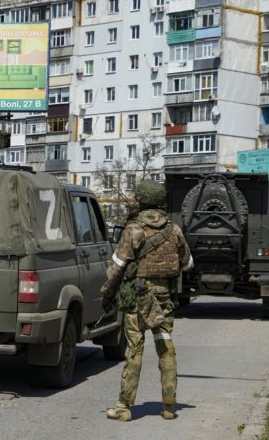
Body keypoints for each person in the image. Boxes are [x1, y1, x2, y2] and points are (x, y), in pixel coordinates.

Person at [100, 180, 193, 422]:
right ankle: (169, 406)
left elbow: (116, 268)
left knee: (134, 351)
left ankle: (123, 407)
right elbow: (188, 264)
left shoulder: (133, 230)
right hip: (164, 301)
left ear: (140, 202)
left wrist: (106, 294)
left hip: (137, 303)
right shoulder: (174, 231)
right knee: (166, 349)